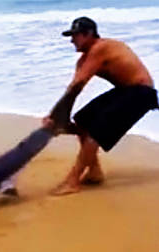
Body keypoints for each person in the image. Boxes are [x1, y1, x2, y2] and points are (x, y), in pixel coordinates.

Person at [43, 17, 159, 195]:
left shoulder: (101, 48)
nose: (71, 40)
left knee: (95, 132)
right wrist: (59, 118)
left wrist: (56, 117)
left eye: (75, 35)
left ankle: (72, 181)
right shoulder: (84, 60)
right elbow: (73, 90)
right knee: (82, 122)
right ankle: (94, 172)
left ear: (89, 34)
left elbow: (78, 84)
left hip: (141, 93)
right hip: (125, 90)